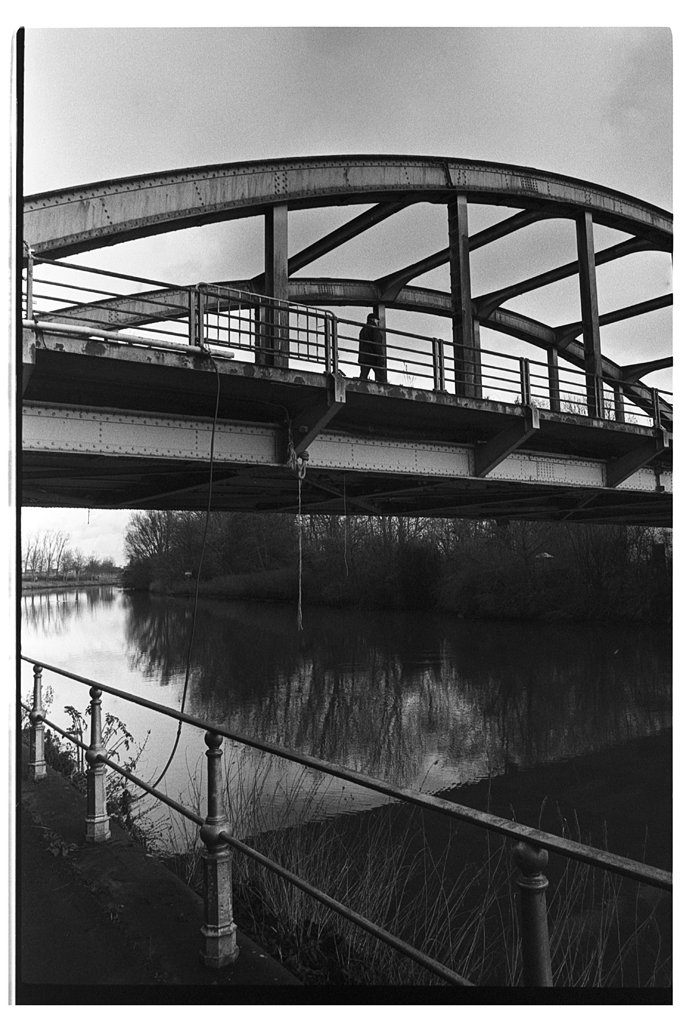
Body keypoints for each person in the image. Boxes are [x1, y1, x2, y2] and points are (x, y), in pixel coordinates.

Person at [358, 313, 387, 383]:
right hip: (374, 357)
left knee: (363, 377)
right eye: (377, 320)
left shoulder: (363, 330)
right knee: (381, 379)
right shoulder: (374, 329)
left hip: (364, 357)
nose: (377, 322)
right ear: (373, 320)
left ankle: (360, 387)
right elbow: (377, 344)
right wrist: (380, 357)